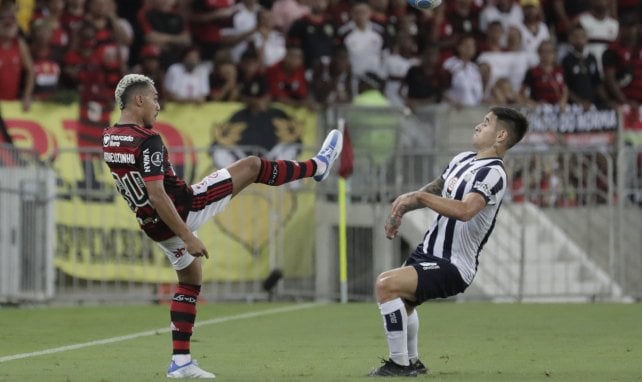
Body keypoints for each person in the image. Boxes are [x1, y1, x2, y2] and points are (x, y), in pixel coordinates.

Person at [103, 74, 343, 379]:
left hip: (152, 224)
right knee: (253, 165)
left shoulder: (109, 136)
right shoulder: (147, 139)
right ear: (138, 100)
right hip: (186, 208)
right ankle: (317, 167)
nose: (158, 105)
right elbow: (158, 193)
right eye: (154, 98)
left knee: (190, 278)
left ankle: (181, 362)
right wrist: (188, 235)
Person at [368, 106, 528, 377]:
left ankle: (399, 365)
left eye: (486, 123)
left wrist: (419, 199)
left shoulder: (494, 173)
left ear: (501, 135)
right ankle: (413, 361)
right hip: (428, 252)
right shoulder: (463, 159)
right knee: (403, 301)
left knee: (386, 286)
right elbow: (436, 188)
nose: (478, 125)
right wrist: (402, 207)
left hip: (453, 264)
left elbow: (466, 210)